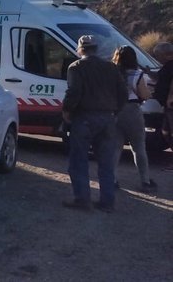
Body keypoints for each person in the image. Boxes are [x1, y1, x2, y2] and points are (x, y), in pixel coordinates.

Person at [61, 35, 127, 213]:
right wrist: (115, 112)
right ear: (96, 49)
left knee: (79, 160)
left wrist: (66, 110)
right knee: (106, 163)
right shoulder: (110, 67)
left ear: (80, 49)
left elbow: (73, 91)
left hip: (84, 118)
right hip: (107, 119)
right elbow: (123, 93)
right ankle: (107, 202)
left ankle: (82, 199)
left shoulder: (76, 67)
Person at [112, 46, 157, 193]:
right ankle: (145, 181)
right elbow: (144, 95)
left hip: (115, 111)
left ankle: (111, 179)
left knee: (115, 147)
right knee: (138, 148)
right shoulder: (137, 74)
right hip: (132, 111)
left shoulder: (113, 72)